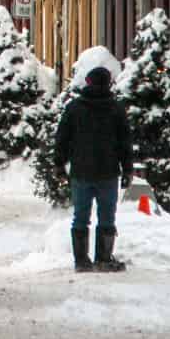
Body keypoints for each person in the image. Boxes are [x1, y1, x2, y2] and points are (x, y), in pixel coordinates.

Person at [54, 65, 134, 273]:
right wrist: (127, 169)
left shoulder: (74, 108)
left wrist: (59, 164)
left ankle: (81, 260)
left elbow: (62, 138)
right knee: (107, 215)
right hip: (108, 170)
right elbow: (124, 142)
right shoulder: (116, 108)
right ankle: (104, 258)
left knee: (81, 215)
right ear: (108, 83)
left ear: (88, 83)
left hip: (81, 170)